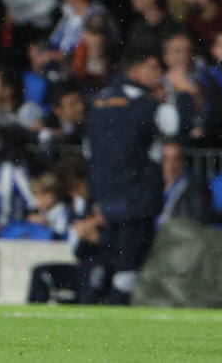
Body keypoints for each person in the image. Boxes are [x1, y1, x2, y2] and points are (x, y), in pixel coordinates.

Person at [83, 50, 172, 305]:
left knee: (106, 257)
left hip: (107, 196)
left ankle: (89, 305)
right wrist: (180, 95)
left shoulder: (99, 103)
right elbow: (178, 126)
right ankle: (115, 312)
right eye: (154, 67)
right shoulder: (146, 105)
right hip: (137, 198)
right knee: (129, 261)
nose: (160, 74)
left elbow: (91, 153)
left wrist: (97, 195)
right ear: (136, 71)